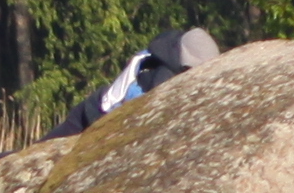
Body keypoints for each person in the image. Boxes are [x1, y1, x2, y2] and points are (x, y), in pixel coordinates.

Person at [47, 25, 221, 140]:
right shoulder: (163, 76)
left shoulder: (165, 50)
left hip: (99, 109)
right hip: (91, 117)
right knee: (41, 154)